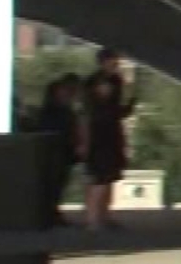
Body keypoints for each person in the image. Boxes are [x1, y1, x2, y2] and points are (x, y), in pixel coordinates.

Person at [83, 49, 136, 231]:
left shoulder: (113, 80)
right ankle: (94, 220)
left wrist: (126, 109)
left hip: (111, 133)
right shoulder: (99, 82)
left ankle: (102, 216)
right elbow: (100, 109)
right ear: (104, 61)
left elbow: (113, 109)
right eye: (113, 61)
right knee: (100, 178)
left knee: (107, 178)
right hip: (101, 134)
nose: (116, 64)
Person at [36, 73, 85, 227]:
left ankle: (50, 213)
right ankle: (49, 213)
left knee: (57, 183)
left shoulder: (60, 107)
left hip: (59, 149)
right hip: (57, 149)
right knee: (55, 183)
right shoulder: (62, 109)